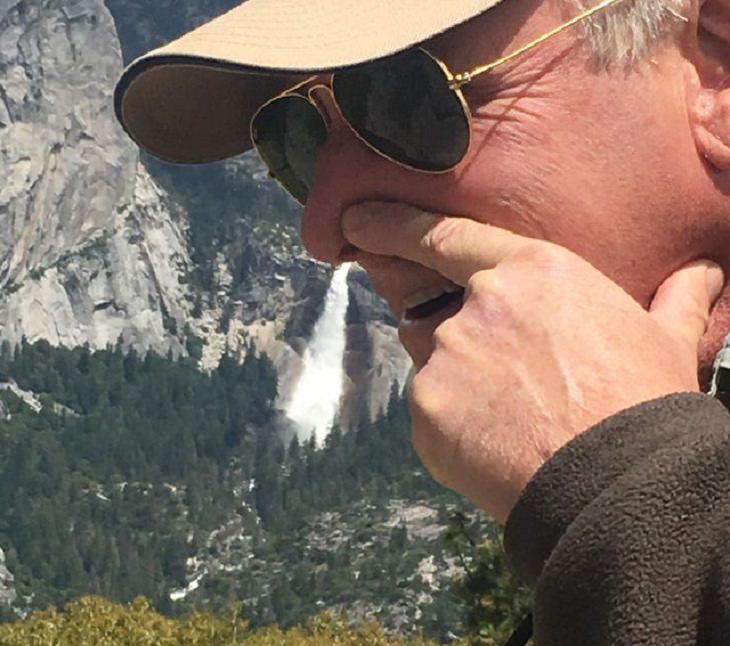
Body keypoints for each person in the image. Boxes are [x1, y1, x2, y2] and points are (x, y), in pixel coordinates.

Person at [115, 0, 730, 642]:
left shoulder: (636, 505)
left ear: (717, 67)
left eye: (407, 101)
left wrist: (632, 481)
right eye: (298, 139)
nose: (322, 229)